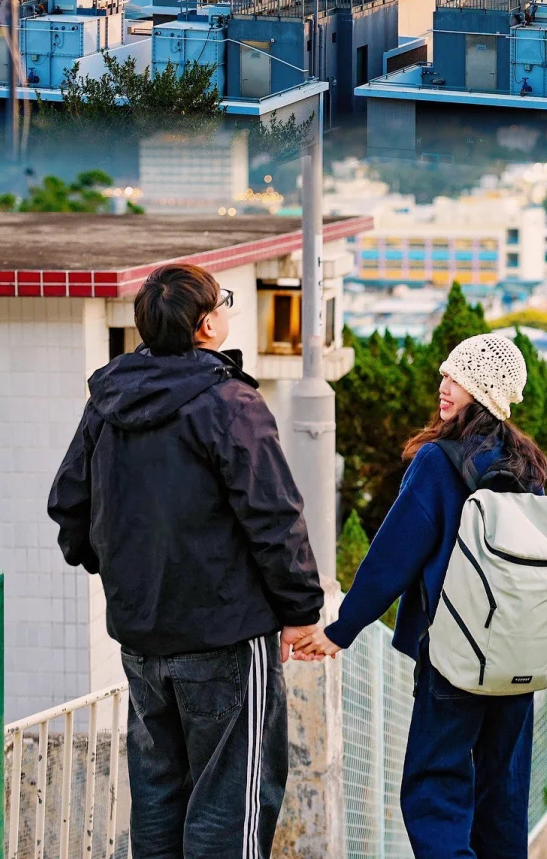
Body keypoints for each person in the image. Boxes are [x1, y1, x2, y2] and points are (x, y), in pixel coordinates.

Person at [48, 264, 324, 859]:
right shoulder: (229, 402)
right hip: (225, 634)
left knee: (158, 796)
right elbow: (274, 516)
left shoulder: (109, 400)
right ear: (205, 326)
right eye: (223, 302)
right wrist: (301, 611)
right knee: (231, 802)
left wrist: (122, 568)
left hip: (141, 635)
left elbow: (69, 503)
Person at [294, 333, 547, 859]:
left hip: (456, 653)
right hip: (519, 656)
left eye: (457, 377)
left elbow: (394, 555)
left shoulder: (439, 461)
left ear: (483, 390)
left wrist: (341, 629)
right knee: (502, 795)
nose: (443, 385)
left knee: (434, 792)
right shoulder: (527, 464)